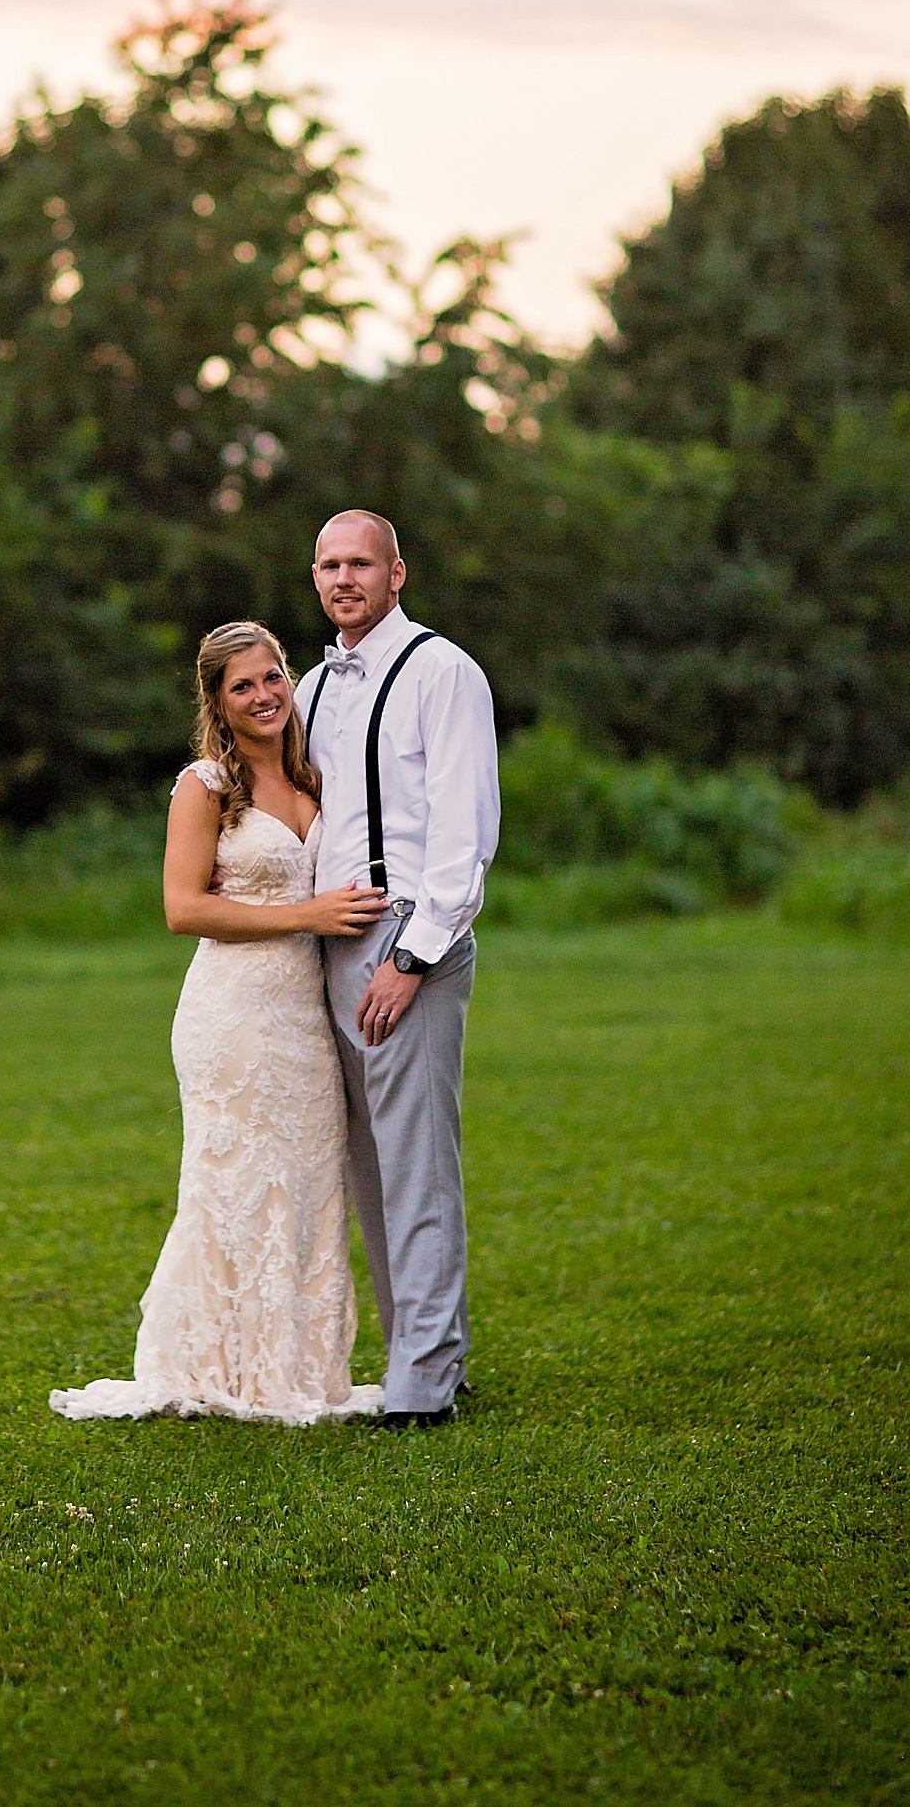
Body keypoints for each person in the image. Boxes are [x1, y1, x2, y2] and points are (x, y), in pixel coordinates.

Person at [49, 620, 389, 1425]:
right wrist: (306, 912)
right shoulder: (205, 785)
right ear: (218, 701)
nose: (265, 695)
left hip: (305, 1014)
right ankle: (220, 1367)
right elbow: (182, 907)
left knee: (305, 1185)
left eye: (272, 677)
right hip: (232, 1014)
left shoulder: (317, 773)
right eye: (243, 686)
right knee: (236, 1185)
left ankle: (301, 1369)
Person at [296, 511, 500, 1431]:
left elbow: (464, 831)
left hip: (406, 936)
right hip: (329, 941)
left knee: (417, 1166)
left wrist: (411, 958)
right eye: (329, 566)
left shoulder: (443, 671)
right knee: (369, 1172)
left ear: (398, 573)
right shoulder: (310, 687)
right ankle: (423, 1358)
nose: (345, 579)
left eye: (361, 564)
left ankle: (424, 1384)